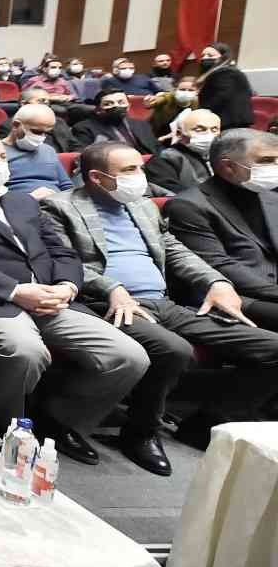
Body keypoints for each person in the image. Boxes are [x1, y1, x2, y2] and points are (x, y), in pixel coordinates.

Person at [41, 142, 278, 473]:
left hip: (165, 302)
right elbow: (64, 261)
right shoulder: (59, 207)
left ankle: (207, 422)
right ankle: (141, 432)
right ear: (96, 177)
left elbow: (174, 249)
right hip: (109, 303)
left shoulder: (142, 206)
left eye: (140, 167)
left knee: (272, 348)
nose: (140, 176)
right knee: (173, 349)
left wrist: (216, 282)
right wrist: (112, 288)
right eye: (129, 170)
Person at [0, 134, 149, 460]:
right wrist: (15, 291)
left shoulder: (22, 201)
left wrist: (67, 286)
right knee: (25, 352)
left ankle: (58, 422)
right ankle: (7, 429)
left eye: (1, 156)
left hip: (50, 297)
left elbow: (60, 250)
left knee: (129, 356)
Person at [163, 129, 278, 334]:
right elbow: (219, 265)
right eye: (266, 161)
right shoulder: (188, 205)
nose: (275, 167)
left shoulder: (271, 197)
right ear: (228, 166)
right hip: (234, 295)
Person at [3, 104, 73, 198]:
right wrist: (29, 198)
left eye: (46, 133)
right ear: (16, 125)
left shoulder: (48, 150)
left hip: (57, 202)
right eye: (36, 132)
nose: (41, 137)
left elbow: (66, 185)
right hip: (20, 203)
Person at [145, 108, 218, 194]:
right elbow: (172, 191)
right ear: (179, 134)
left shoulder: (222, 155)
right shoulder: (165, 158)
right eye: (199, 130)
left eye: (214, 130)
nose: (209, 134)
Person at [72, 89, 161, 158]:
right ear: (98, 110)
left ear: (129, 106)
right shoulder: (84, 128)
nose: (116, 106)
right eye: (108, 104)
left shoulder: (140, 123)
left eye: (121, 102)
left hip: (152, 163)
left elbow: (156, 147)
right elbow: (86, 157)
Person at [195, 42, 254, 129]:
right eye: (203, 55)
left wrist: (201, 112)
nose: (205, 58)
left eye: (210, 55)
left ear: (223, 57)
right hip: (225, 121)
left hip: (231, 123)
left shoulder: (226, 72)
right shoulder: (222, 72)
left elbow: (220, 97)